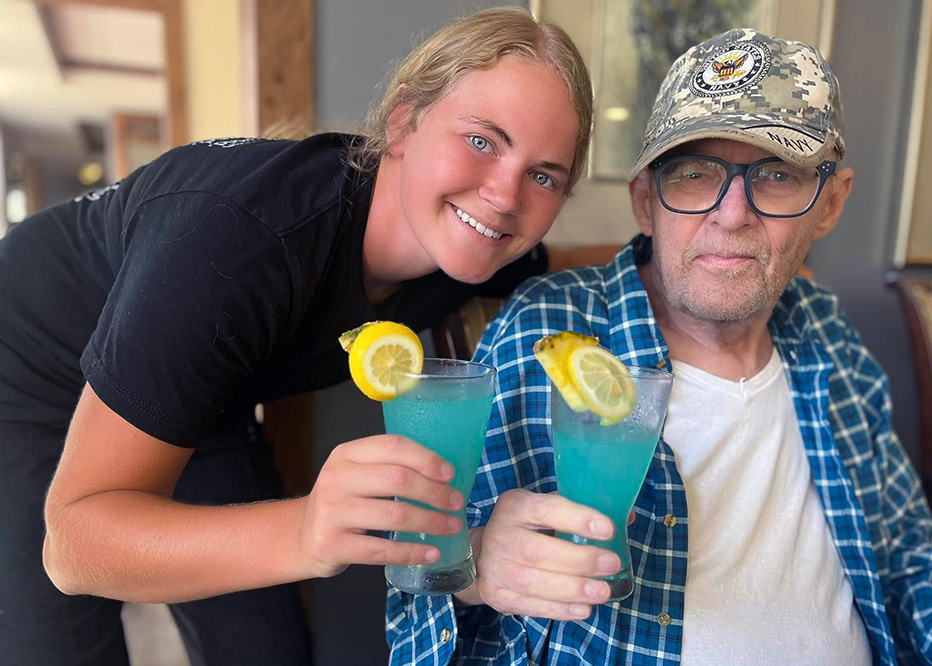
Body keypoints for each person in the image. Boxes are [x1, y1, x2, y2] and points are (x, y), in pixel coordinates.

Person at [0, 8, 615, 665]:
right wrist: (305, 529)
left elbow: (580, 258)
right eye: (482, 141)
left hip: (197, 396)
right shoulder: (238, 242)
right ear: (403, 121)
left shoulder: (473, 242)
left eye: (543, 175)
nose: (505, 195)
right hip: (29, 368)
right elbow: (76, 546)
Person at [386, 28, 932, 665]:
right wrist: (476, 564)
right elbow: (420, 592)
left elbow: (908, 555)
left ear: (830, 204)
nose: (732, 214)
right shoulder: (553, 332)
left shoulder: (828, 331)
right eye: (694, 174)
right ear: (646, 201)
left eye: (776, 175)